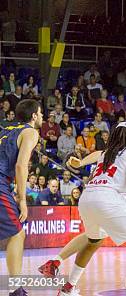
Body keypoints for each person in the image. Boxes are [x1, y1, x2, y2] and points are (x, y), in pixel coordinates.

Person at [57, 121, 126, 296]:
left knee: (92, 242)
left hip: (86, 198)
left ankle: (67, 289)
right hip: (108, 198)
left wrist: (78, 163)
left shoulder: (105, 153)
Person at [0, 100, 42, 296]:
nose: (42, 117)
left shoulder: (5, 128)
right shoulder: (31, 132)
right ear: (34, 116)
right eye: (40, 113)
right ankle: (15, 289)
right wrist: (22, 199)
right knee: (17, 234)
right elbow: (20, 166)